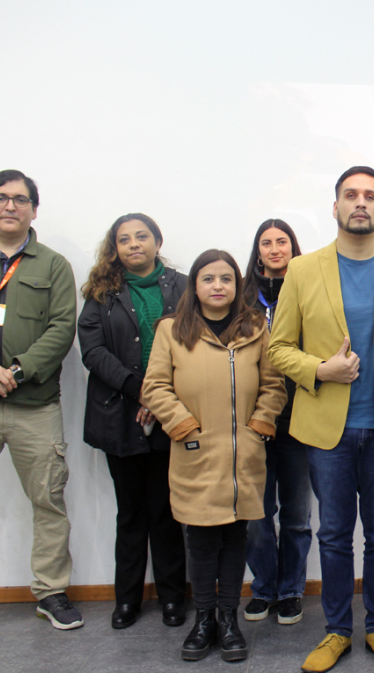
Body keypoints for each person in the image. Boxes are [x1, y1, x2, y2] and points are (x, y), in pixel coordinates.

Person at [268, 166, 374, 673]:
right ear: (334, 207)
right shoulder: (302, 269)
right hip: (324, 428)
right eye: (351, 195)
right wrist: (320, 369)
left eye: (370, 196)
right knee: (334, 534)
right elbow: (278, 349)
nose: (361, 203)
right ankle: (337, 631)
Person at [143, 249, 286, 662]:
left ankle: (229, 619)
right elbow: (155, 387)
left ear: (236, 285)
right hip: (196, 453)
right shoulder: (172, 330)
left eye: (226, 278)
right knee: (202, 540)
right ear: (195, 285)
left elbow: (274, 384)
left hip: (244, 456)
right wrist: (183, 425)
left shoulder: (256, 327)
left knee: (235, 538)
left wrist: (260, 423)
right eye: (208, 279)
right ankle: (203, 619)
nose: (217, 286)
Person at [78, 214, 187, 629]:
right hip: (117, 415)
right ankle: (127, 600)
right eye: (124, 239)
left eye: (142, 236)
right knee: (130, 513)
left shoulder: (183, 286)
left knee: (165, 510)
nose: (134, 244)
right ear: (115, 248)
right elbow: (92, 351)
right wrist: (140, 389)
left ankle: (173, 598)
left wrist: (162, 396)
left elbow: (196, 343)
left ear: (158, 240)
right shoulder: (101, 291)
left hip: (171, 415)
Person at [0, 170, 81, 629]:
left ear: (33, 208)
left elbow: (62, 329)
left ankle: (51, 592)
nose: (11, 206)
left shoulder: (52, 265)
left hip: (34, 404)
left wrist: (14, 371)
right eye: (2, 197)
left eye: (21, 199)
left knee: (48, 501)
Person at [240, 219, 312, 626]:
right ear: (258, 250)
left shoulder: (308, 288)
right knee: (256, 515)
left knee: (298, 514)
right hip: (254, 419)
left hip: (299, 417)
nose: (274, 249)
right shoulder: (243, 296)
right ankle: (263, 588)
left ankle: (291, 591)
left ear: (292, 246)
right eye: (265, 243)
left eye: (281, 241)